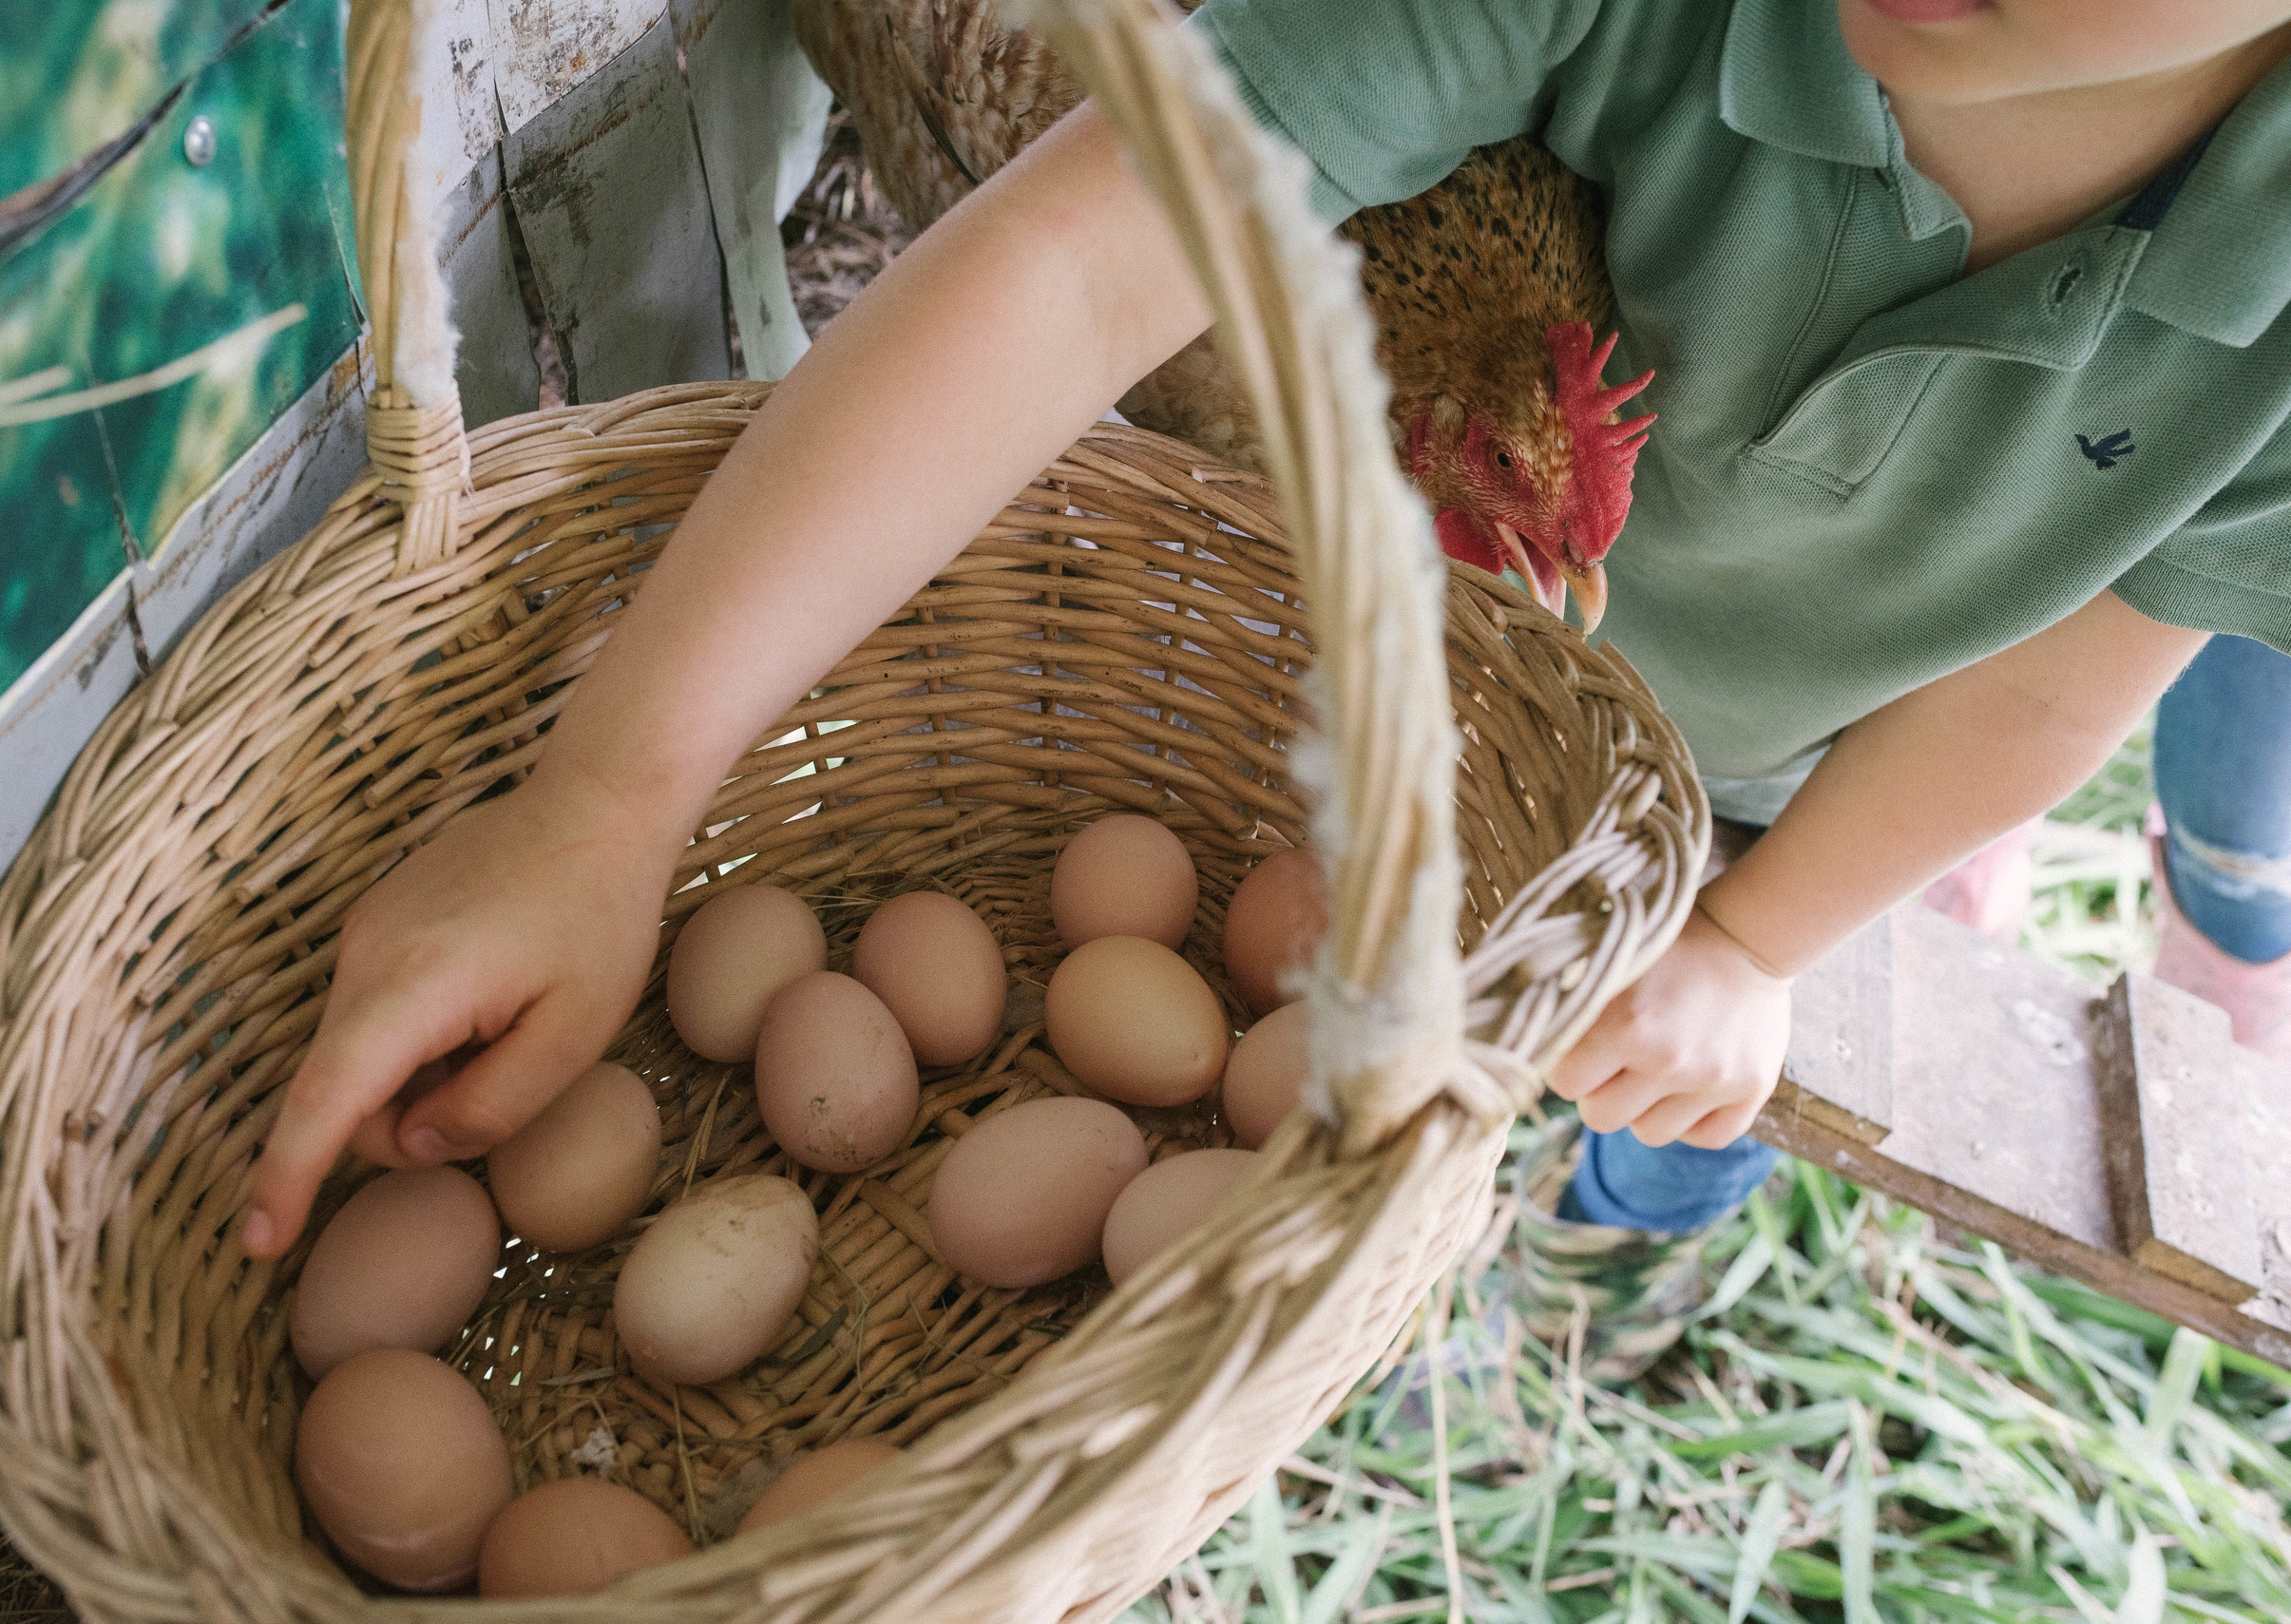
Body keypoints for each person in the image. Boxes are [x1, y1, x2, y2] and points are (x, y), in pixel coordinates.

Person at [241, 0, 2291, 1381]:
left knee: (1675, 1089)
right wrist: (615, 791)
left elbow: (2049, 679)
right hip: (1387, 670)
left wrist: (1754, 937)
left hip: (1768, 787)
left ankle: (1614, 1267)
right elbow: (1083, 253)